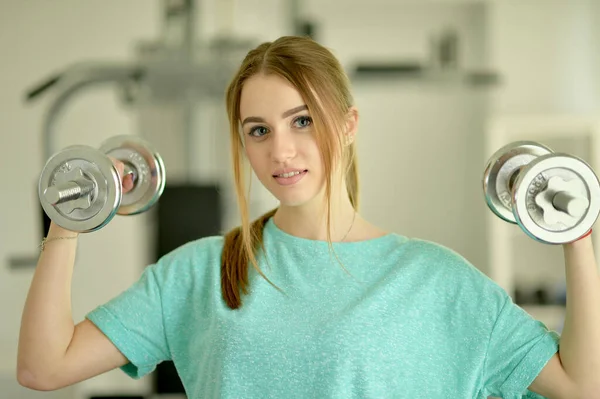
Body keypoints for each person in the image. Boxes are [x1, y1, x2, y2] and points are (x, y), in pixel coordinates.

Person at [16, 35, 600, 399]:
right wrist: (69, 221)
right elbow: (44, 368)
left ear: (346, 125)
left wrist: (577, 238)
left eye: (302, 121)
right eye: (258, 131)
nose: (281, 152)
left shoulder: (439, 281)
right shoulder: (201, 271)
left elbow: (582, 385)